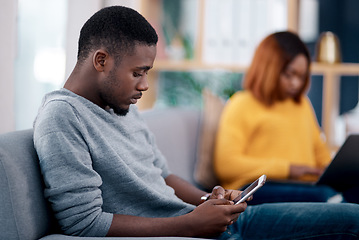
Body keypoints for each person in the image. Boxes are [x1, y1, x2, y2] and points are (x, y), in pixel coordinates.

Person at [33, 6, 359, 239]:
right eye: (138, 73)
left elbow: (162, 174)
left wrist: (208, 200)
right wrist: (189, 226)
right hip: (193, 231)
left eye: (147, 72)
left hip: (214, 225)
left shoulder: (120, 106)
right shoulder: (63, 116)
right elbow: (84, 222)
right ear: (101, 60)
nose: (145, 85)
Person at [214, 31, 354, 205]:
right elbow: (227, 165)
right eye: (289, 75)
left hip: (304, 185)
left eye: (301, 76)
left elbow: (321, 154)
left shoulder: (301, 104)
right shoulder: (241, 104)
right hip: (253, 189)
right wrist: (289, 169)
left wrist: (336, 171)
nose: (296, 83)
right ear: (268, 69)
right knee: (323, 196)